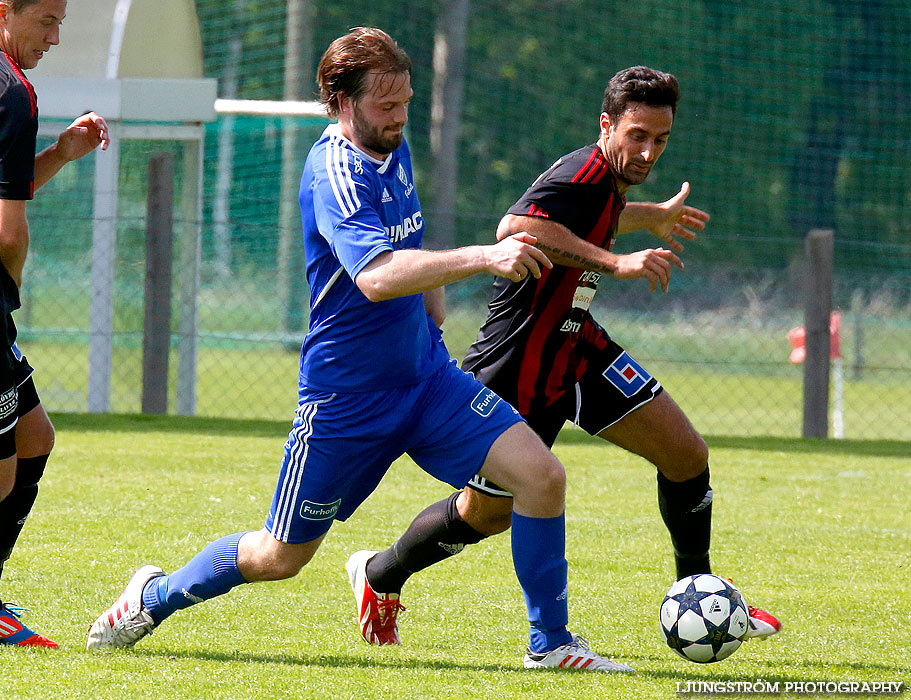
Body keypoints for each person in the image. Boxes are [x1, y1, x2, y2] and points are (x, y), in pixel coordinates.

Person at [86, 27, 633, 673]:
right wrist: (484, 256)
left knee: (540, 477)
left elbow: (409, 235)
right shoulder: (335, 172)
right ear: (341, 101)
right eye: (385, 104)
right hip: (346, 400)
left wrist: (433, 316)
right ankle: (153, 596)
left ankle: (551, 645)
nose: (399, 116)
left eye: (404, 101)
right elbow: (374, 276)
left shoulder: (388, 148)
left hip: (426, 380)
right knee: (278, 558)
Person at [347, 66, 782, 646]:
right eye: (637, 136)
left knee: (685, 454)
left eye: (661, 139)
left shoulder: (609, 183)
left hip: (579, 348)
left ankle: (703, 600)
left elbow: (592, 218)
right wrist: (617, 262)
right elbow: (518, 226)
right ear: (607, 126)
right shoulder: (582, 169)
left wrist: (647, 216)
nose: (648, 150)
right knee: (487, 514)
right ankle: (379, 572)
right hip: (518, 363)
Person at [0, 0, 109, 647]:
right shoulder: (13, 92)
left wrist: (63, 154)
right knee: (3, 465)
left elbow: (6, 192)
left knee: (34, 436)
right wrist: (8, 292)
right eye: (46, 20)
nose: (56, 36)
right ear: (6, 10)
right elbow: (9, 232)